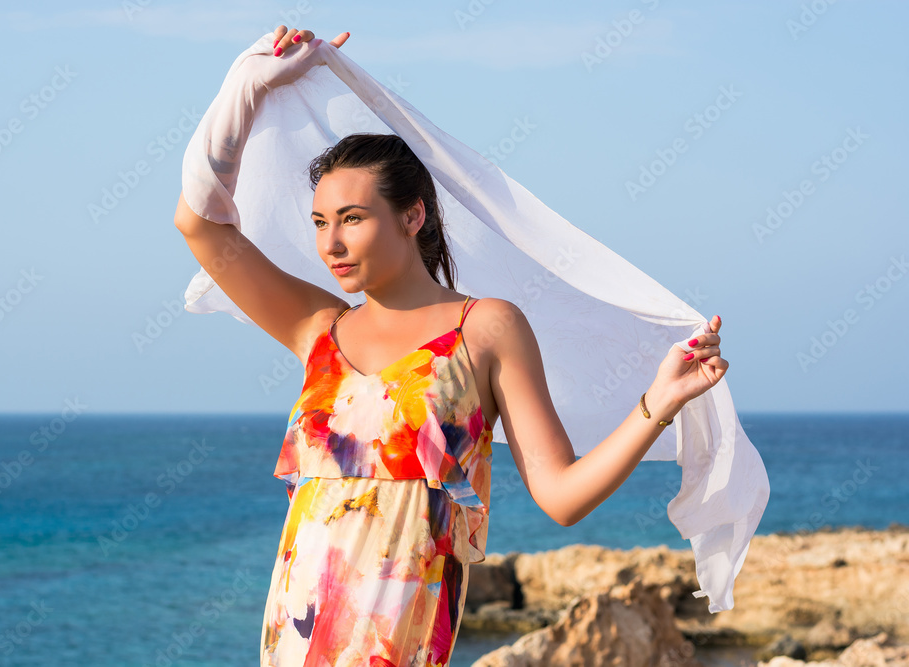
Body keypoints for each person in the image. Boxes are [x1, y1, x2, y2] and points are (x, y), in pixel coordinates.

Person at [174, 25, 727, 667]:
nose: (331, 244)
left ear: (413, 216)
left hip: (397, 640)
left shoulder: (485, 329)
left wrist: (658, 402)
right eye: (321, 222)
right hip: (296, 633)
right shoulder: (318, 328)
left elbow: (562, 495)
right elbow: (201, 225)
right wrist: (246, 83)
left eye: (352, 218)